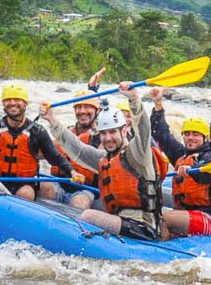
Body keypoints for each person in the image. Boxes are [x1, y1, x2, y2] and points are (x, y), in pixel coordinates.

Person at [40, 82, 169, 241]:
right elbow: (78, 150)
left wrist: (134, 99)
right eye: (104, 133)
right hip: (121, 222)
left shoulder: (138, 153)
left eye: (113, 132)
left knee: (88, 216)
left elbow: (143, 129)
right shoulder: (105, 159)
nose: (108, 138)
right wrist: (52, 120)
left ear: (123, 130)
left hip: (143, 226)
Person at [0, 84, 82, 201]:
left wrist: (72, 172)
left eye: (17, 99)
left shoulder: (37, 132)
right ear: (3, 104)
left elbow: (54, 156)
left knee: (26, 194)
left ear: (25, 104)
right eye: (8, 100)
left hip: (23, 184)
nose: (12, 103)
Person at [149, 87, 211, 238]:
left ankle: (159, 255)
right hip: (187, 214)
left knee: (164, 218)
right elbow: (161, 133)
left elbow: (209, 174)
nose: (190, 138)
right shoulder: (181, 154)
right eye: (187, 134)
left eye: (196, 134)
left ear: (205, 138)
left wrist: (193, 168)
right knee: (151, 212)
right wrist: (158, 104)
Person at [38, 88, 101, 210]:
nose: (82, 111)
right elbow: (42, 152)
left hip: (86, 190)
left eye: (87, 107)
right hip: (59, 184)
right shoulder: (67, 132)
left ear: (97, 110)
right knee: (44, 186)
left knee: (79, 202)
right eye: (78, 107)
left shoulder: (103, 136)